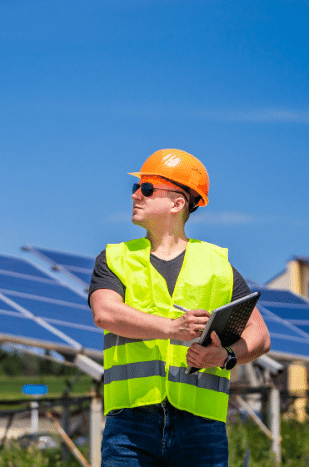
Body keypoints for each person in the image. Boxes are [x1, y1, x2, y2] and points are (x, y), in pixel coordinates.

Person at [89, 148, 270, 467]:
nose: (135, 195)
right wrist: (172, 328)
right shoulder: (116, 258)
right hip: (130, 425)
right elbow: (105, 312)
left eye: (146, 188)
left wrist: (224, 357)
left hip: (201, 426)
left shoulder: (218, 266)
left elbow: (260, 336)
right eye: (136, 187)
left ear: (177, 203)